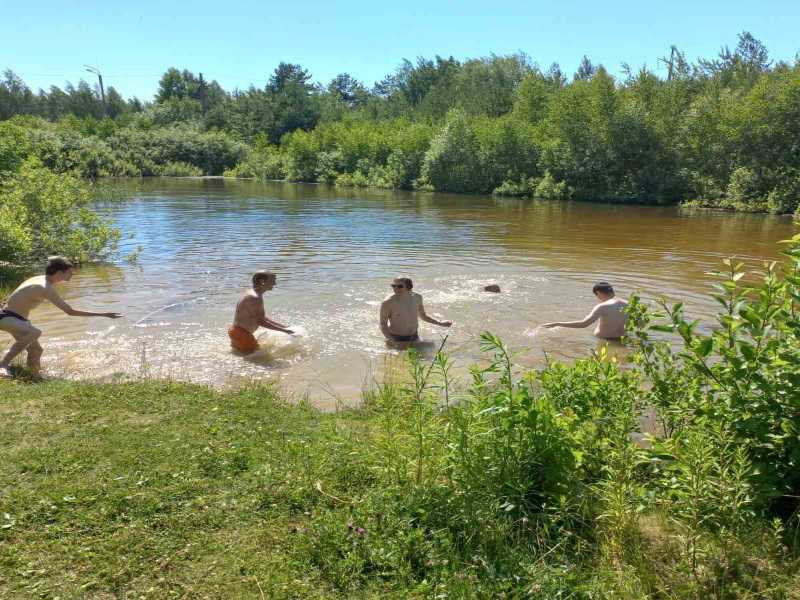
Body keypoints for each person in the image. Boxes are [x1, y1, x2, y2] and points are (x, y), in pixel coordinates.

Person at [0, 256, 122, 378]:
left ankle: (34, 375)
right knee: (35, 332)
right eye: (69, 272)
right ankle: (3, 364)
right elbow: (70, 311)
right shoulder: (45, 288)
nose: (72, 274)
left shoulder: (39, 279)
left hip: (13, 317)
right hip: (8, 317)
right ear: (59, 273)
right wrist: (103, 314)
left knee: (36, 350)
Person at [228, 270, 294, 355]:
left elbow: (260, 317)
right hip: (242, 334)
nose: (275, 284)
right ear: (262, 281)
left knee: (242, 357)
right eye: (273, 280)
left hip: (236, 332)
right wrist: (284, 331)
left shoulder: (252, 293)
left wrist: (284, 327)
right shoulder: (254, 298)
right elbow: (260, 321)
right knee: (256, 358)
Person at [379, 277, 451, 347]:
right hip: (396, 338)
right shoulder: (388, 302)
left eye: (400, 286)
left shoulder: (417, 298)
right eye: (393, 286)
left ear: (409, 287)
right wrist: (389, 338)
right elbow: (383, 324)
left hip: (414, 336)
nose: (395, 288)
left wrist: (440, 323)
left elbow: (423, 316)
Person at [542, 282, 628, 339]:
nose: (598, 299)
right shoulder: (629, 304)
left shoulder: (603, 306)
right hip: (622, 339)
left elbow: (583, 324)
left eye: (596, 295)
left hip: (603, 341)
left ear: (598, 292)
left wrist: (557, 323)